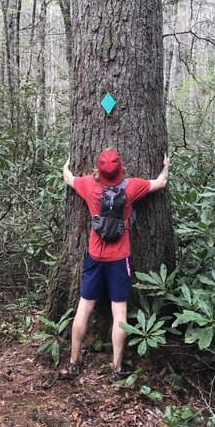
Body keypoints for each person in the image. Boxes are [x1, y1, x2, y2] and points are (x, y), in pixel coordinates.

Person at [62, 148, 170, 376]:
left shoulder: (88, 185)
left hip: (94, 256)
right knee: (119, 312)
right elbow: (161, 182)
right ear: (120, 168)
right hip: (120, 259)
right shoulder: (131, 187)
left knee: (84, 307)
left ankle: (74, 362)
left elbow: (67, 178)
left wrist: (67, 164)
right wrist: (166, 165)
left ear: (98, 170)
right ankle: (116, 367)